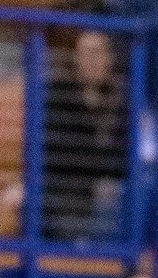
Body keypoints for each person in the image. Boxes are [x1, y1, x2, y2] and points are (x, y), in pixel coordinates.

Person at [43, 27, 129, 242]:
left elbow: (127, 154)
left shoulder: (122, 99)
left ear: (110, 58)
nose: (91, 60)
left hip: (112, 189)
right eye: (85, 53)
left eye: (97, 53)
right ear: (75, 58)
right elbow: (60, 155)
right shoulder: (58, 95)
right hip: (68, 188)